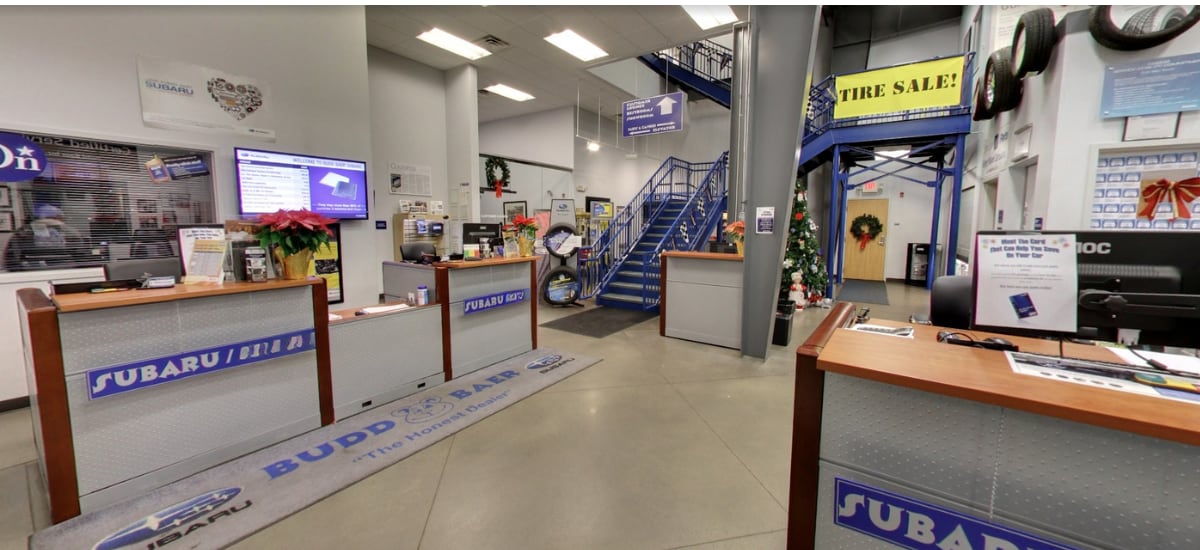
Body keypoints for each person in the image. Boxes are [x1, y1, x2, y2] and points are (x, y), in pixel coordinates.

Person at [3, 203, 89, 271]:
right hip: (66, 271)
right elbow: (80, 254)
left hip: (32, 272)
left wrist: (16, 271)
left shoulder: (24, 231)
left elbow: (12, 255)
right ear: (58, 217)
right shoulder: (69, 231)